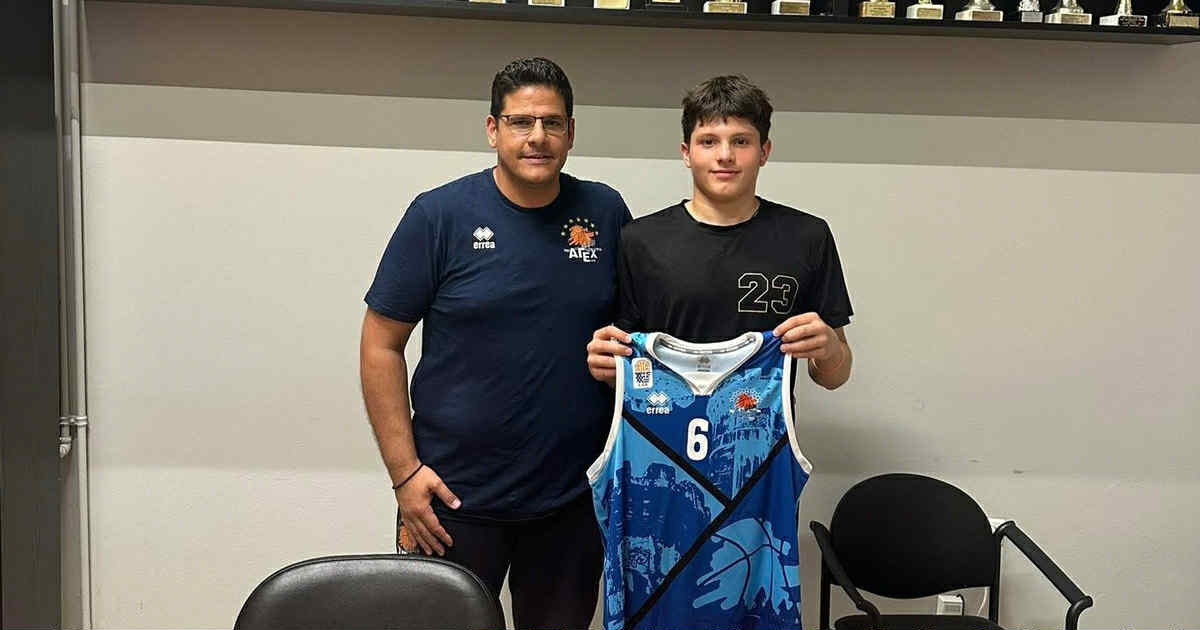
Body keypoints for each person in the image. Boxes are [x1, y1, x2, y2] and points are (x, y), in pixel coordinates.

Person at [360, 57, 631, 627]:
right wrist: (404, 474)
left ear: (571, 131)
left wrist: (620, 357)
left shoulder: (604, 212)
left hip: (572, 501)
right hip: (451, 500)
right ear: (492, 129)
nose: (537, 137)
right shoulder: (439, 215)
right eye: (520, 122)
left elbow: (635, 333)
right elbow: (380, 344)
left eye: (552, 123)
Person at [587, 74, 853, 391]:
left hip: (762, 422)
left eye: (741, 141)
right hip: (663, 419)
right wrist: (608, 366)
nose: (725, 155)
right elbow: (626, 365)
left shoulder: (808, 237)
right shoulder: (639, 240)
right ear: (686, 153)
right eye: (708, 141)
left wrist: (829, 350)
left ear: (764, 151)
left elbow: (833, 378)